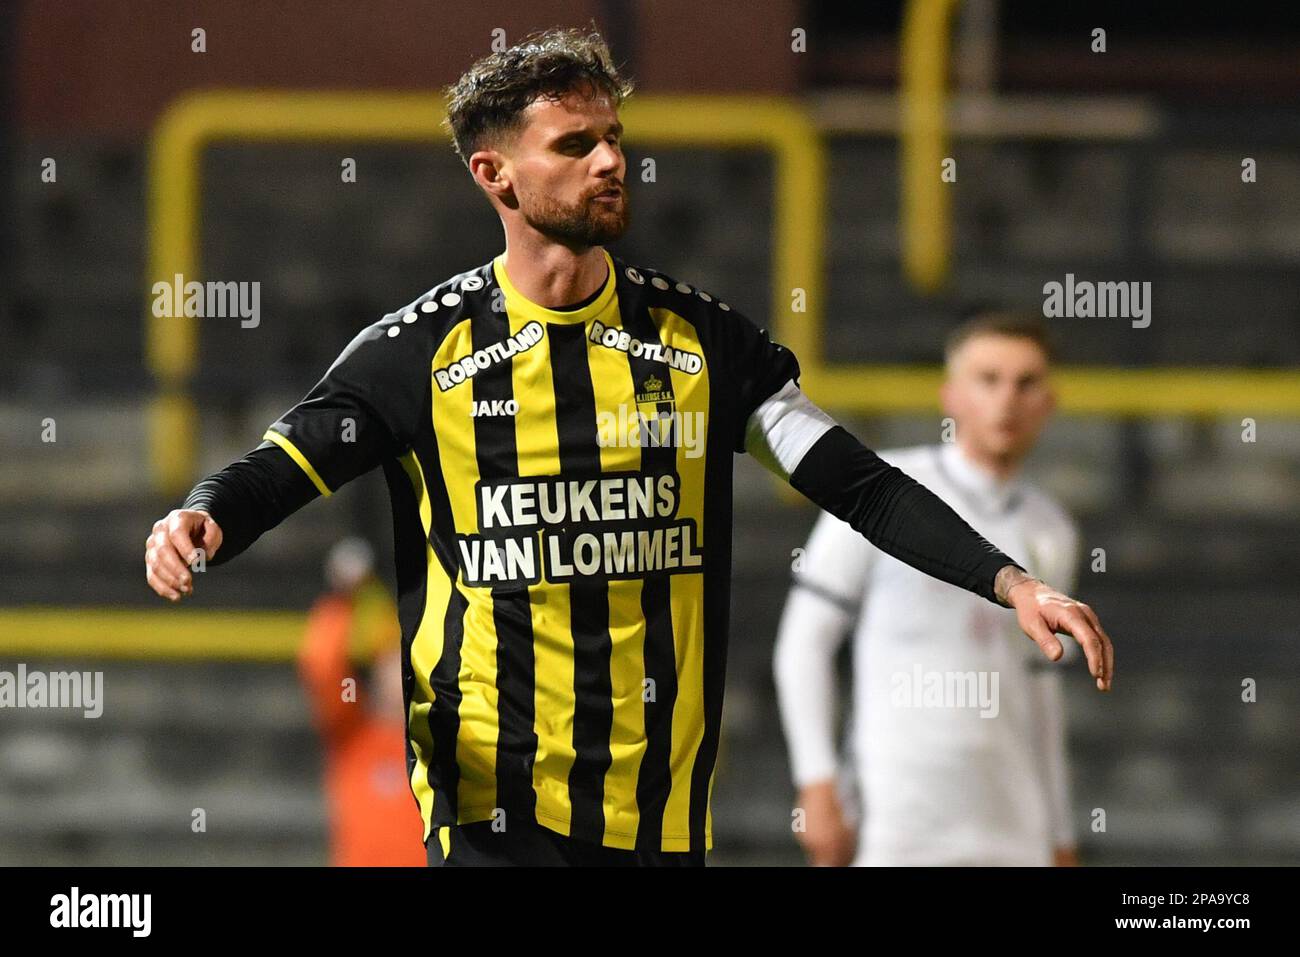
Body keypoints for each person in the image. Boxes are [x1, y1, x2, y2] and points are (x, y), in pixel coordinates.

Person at [143, 27, 1113, 867]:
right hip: (489, 789)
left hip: (656, 798)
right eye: (575, 145)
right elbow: (289, 461)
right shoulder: (416, 356)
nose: (610, 162)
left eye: (614, 138)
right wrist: (204, 513)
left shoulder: (703, 346)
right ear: (496, 175)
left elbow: (857, 483)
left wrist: (1010, 582)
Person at [775, 312, 1082, 867]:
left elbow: (1043, 695)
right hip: (893, 825)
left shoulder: (1050, 530)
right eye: (988, 379)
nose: (1007, 399)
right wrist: (816, 782)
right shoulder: (882, 496)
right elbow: (804, 643)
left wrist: (1060, 832)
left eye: (1026, 382)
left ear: (1049, 402)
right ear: (950, 395)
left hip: (1013, 832)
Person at [298, 537, 425, 866]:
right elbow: (322, 666)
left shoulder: (440, 741)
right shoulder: (352, 737)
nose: (400, 674)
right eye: (391, 662)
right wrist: (343, 600)